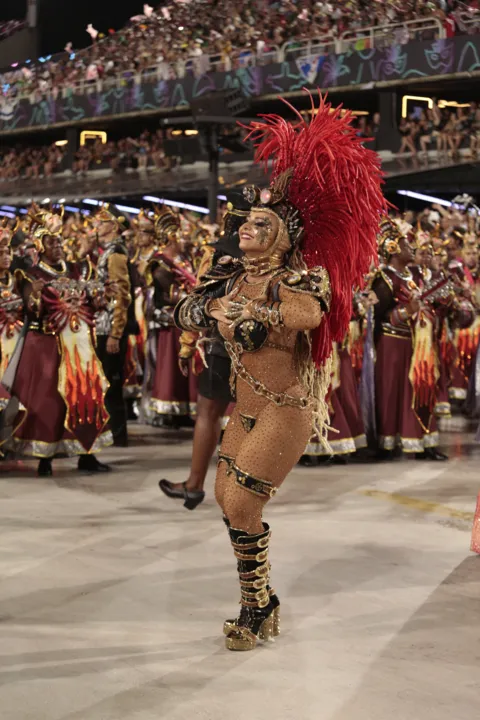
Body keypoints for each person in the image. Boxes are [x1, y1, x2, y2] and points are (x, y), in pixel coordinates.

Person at [174, 95, 386, 651]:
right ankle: (259, 603)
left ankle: (256, 607)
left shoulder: (298, 279)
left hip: (286, 405)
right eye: (245, 222)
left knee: (244, 502)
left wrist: (253, 313)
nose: (245, 228)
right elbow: (186, 312)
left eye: (259, 223)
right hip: (244, 407)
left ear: (284, 236)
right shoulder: (229, 278)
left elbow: (306, 316)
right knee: (226, 499)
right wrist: (208, 300)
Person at [5, 209, 112, 475]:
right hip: (46, 346)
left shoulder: (77, 269)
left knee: (86, 398)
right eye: (52, 242)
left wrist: (101, 298)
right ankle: (45, 457)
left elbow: (91, 303)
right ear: (40, 246)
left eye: (59, 241)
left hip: (80, 347)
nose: (59, 246)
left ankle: (87, 455)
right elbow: (31, 311)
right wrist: (36, 298)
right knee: (49, 401)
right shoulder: (30, 274)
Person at [159, 193, 247, 508]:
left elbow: (199, 299)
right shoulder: (273, 252)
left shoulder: (217, 252)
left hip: (222, 346)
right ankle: (243, 490)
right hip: (261, 349)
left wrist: (186, 347)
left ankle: (195, 484)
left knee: (208, 413)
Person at [372, 218, 447, 460]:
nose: (411, 249)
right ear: (393, 249)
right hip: (393, 343)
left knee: (422, 389)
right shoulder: (384, 278)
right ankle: (388, 443)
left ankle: (423, 441)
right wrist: (407, 312)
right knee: (392, 393)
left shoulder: (414, 274)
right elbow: (377, 316)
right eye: (406, 245)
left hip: (419, 343)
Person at [142, 207, 197, 427]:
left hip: (185, 318)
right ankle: (170, 412)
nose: (186, 239)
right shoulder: (160, 263)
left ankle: (184, 410)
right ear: (172, 236)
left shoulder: (184, 259)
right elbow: (163, 296)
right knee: (171, 369)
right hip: (170, 321)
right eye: (182, 236)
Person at [92, 204, 138, 447]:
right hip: (103, 326)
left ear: (113, 226)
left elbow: (122, 295)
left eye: (101, 222)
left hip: (109, 329)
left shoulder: (115, 254)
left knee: (112, 383)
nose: (97, 226)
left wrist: (115, 333)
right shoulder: (107, 251)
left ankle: (118, 436)